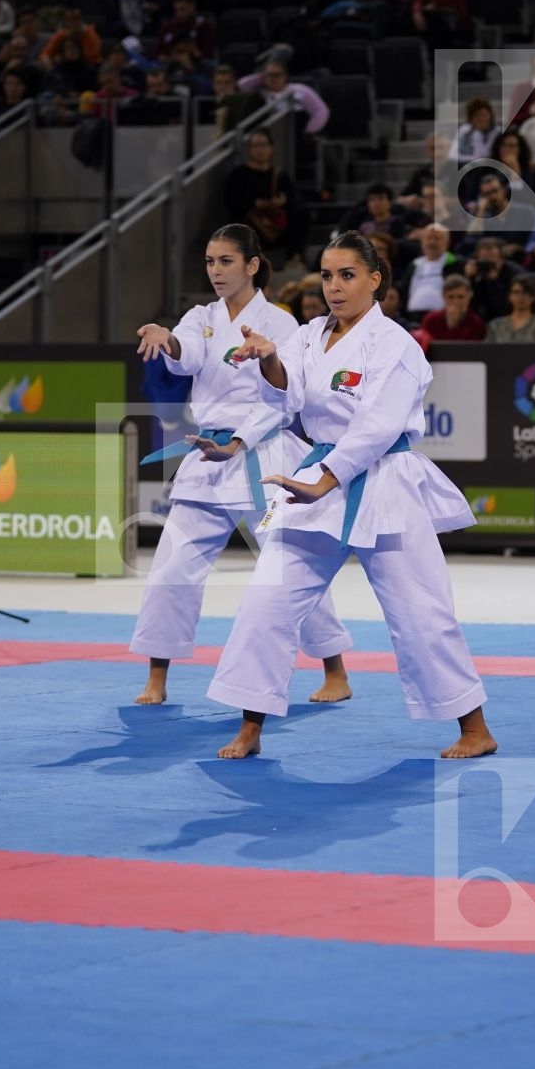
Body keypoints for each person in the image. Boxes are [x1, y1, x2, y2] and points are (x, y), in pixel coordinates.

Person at [218, 230, 498, 761]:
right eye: (327, 275)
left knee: (421, 614)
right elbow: (287, 395)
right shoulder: (307, 335)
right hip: (314, 476)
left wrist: (326, 476)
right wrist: (268, 360)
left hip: (383, 480)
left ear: (376, 279)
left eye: (347, 275)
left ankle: (475, 727)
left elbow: (375, 427)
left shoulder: (395, 346)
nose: (335, 287)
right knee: (265, 603)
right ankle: (250, 726)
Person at [130, 224, 354, 709]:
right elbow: (186, 356)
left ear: (252, 266)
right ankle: (157, 676)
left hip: (265, 455)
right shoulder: (200, 316)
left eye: (226, 261)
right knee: (172, 569)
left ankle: (335, 669)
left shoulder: (281, 323)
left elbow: (284, 397)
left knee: (291, 566)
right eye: (210, 262)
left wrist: (239, 439)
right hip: (206, 456)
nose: (215, 271)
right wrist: (167, 340)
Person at [486, 275, 535, 342]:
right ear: (509, 296)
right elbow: (487, 353)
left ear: (533, 297)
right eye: (516, 292)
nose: (520, 297)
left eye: (526, 292)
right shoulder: (496, 325)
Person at [419, 275, 488, 342]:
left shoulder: (477, 324)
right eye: (451, 297)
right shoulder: (431, 320)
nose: (456, 302)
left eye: (461, 297)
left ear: (469, 296)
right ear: (443, 297)